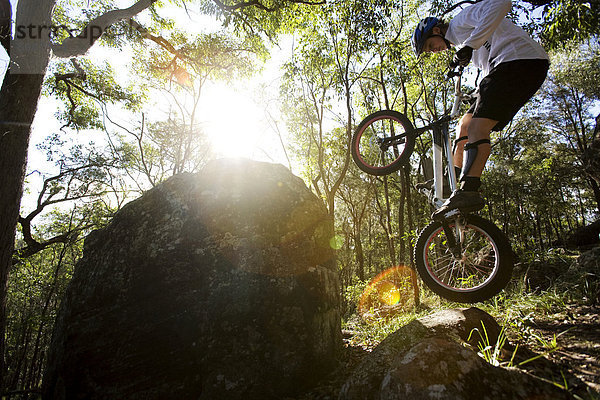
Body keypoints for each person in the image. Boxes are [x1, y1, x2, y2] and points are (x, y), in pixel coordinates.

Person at [411, 0, 549, 218]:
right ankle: (451, 181)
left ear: (436, 30)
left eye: (430, 46)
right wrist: (475, 91)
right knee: (464, 125)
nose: (434, 51)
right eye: (430, 51)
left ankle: (469, 189)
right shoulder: (460, 42)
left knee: (477, 127)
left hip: (520, 60)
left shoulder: (460, 22)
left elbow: (502, 3)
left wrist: (470, 45)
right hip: (505, 68)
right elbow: (487, 68)